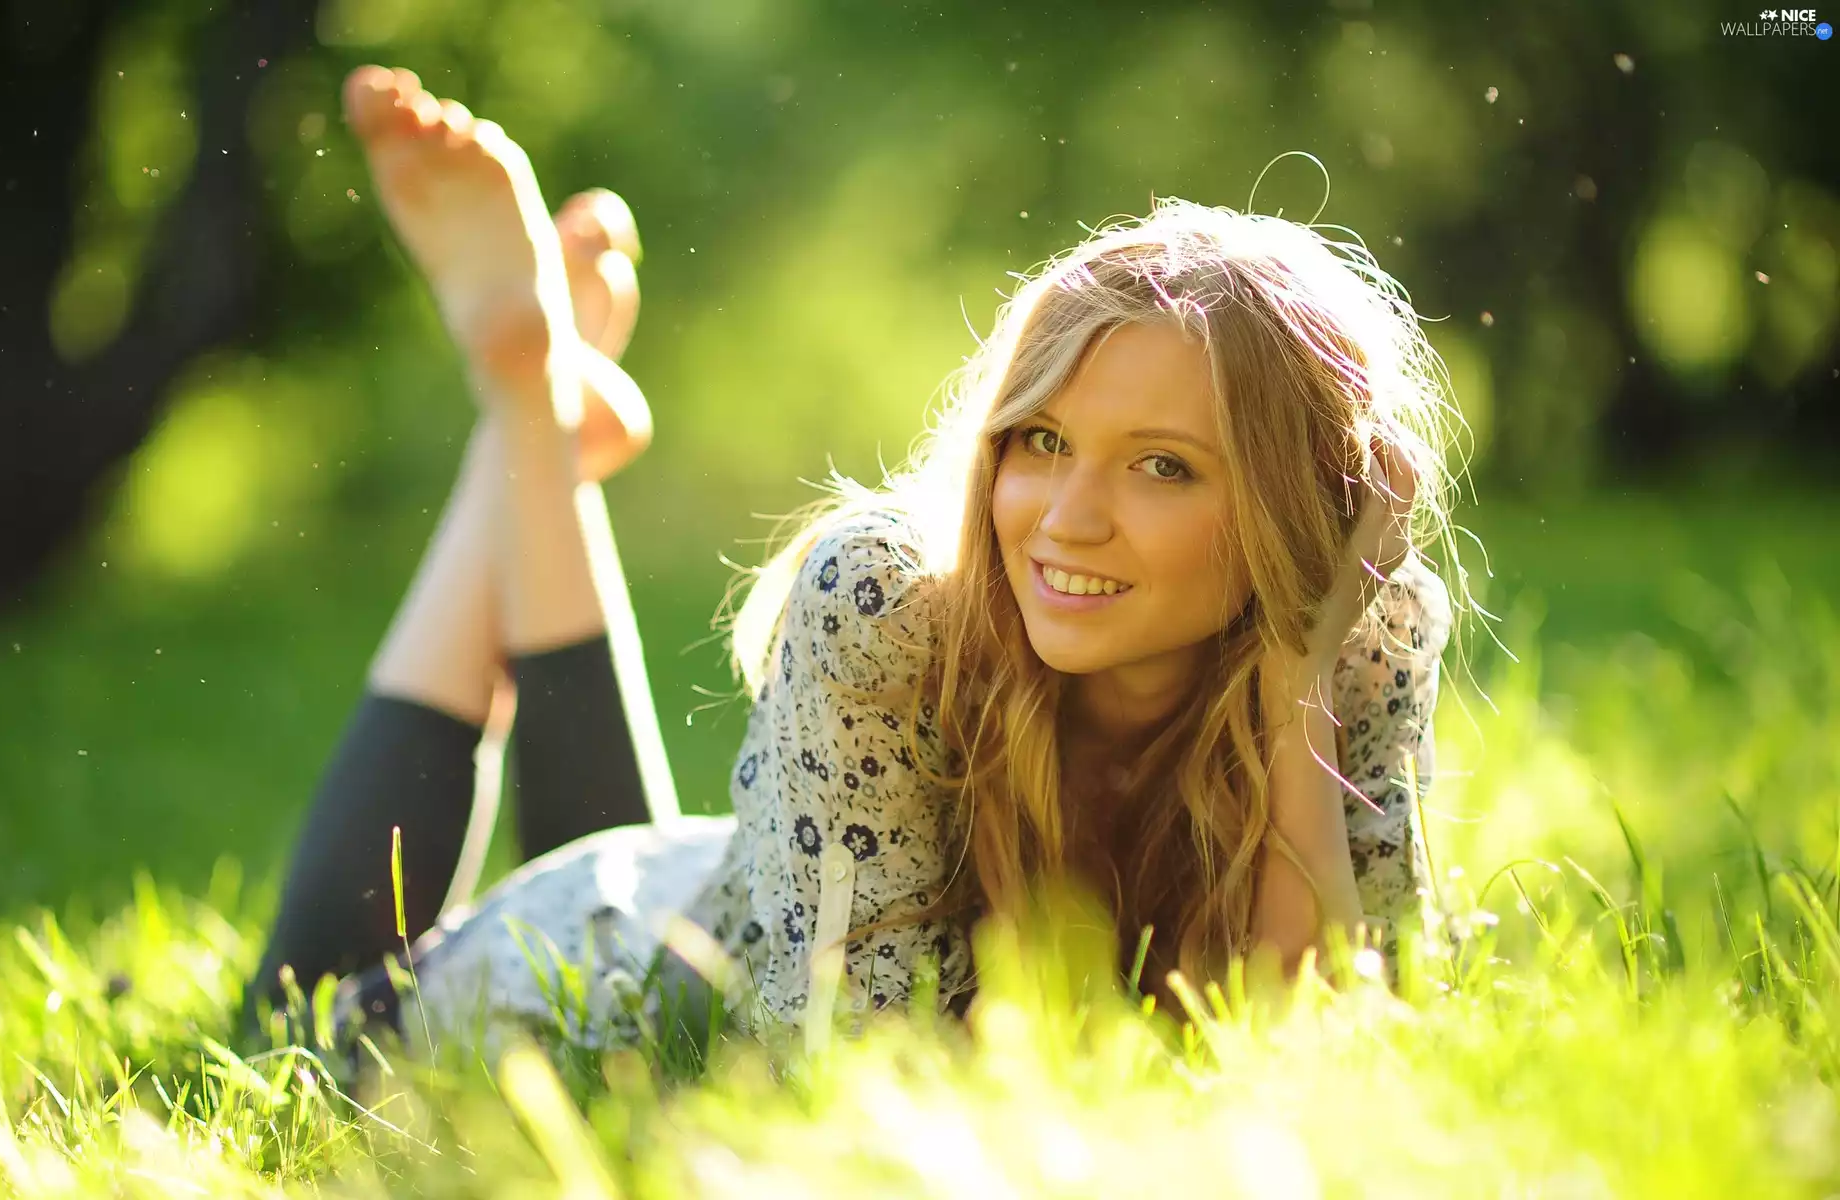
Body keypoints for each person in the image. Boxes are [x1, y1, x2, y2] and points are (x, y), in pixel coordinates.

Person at [251, 63, 1463, 1051]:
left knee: (696, 916)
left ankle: (533, 417)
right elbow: (855, 1062)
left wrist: (1296, 682)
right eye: (1040, 441)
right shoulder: (885, 603)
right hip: (569, 987)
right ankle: (524, 422)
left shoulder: (1356, 632)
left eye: (1162, 466)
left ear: (1308, 510)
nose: (1064, 520)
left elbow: (1350, 1047)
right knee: (300, 1025)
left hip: (717, 907)